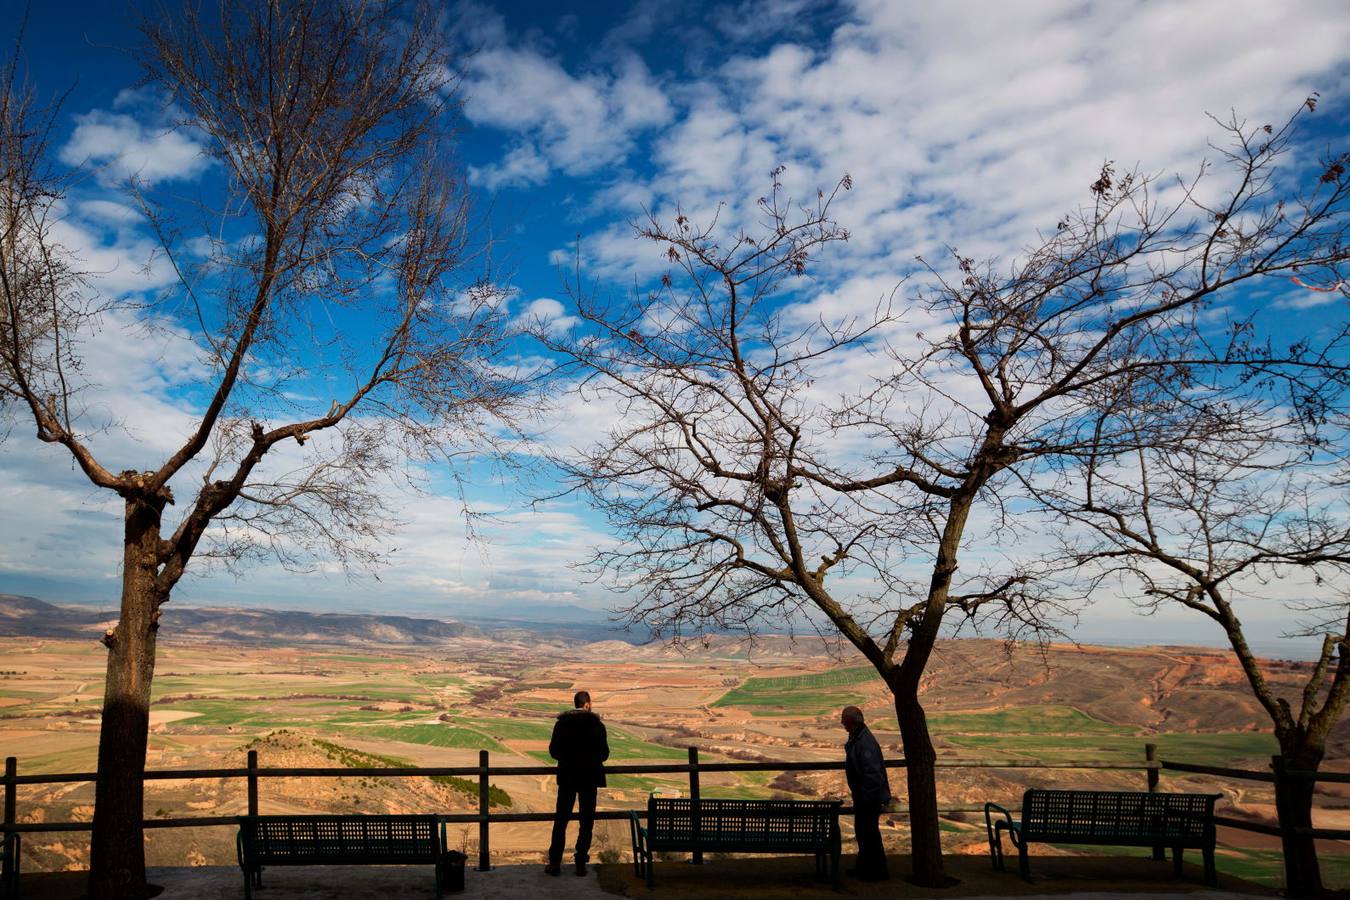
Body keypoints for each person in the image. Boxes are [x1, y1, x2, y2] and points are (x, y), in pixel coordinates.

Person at [546, 690, 609, 876]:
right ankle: (581, 862)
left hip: (567, 778)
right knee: (586, 821)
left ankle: (555, 863)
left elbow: (554, 752)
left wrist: (569, 758)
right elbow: (604, 754)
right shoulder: (597, 725)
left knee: (561, 820)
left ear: (575, 703)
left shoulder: (562, 725)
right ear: (587, 704)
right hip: (589, 778)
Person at [841, 705, 891, 881]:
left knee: (869, 834)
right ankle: (866, 869)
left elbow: (873, 775)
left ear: (852, 722)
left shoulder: (864, 742)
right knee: (865, 834)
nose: (842, 723)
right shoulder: (859, 738)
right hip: (866, 797)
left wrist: (865, 796)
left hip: (868, 799)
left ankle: (876, 872)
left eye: (844, 720)